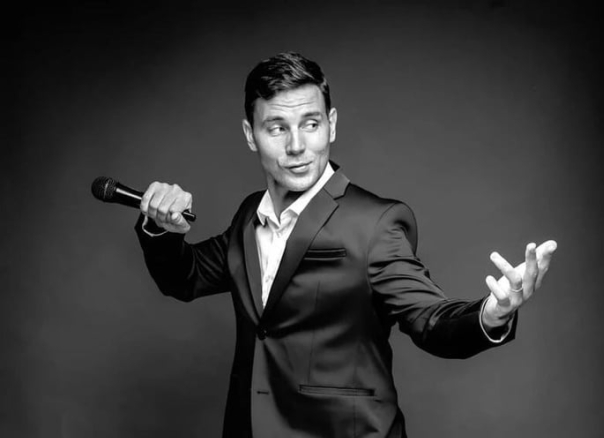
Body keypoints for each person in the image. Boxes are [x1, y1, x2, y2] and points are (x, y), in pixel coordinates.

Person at [135, 52, 557, 438]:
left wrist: (491, 314)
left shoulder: (376, 222)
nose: (297, 146)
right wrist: (160, 228)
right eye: (277, 128)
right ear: (250, 134)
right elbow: (184, 278)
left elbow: (429, 320)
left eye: (311, 124)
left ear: (331, 124)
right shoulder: (249, 215)